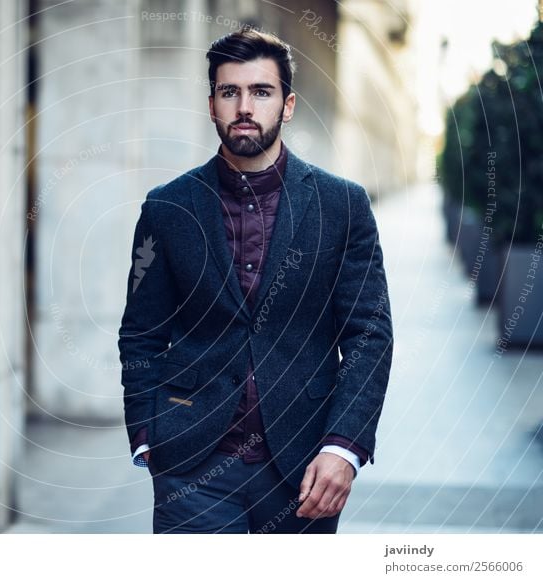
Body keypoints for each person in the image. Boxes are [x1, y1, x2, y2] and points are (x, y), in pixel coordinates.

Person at [118, 28, 393, 534]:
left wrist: (344, 447)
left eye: (261, 92)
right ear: (211, 104)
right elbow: (140, 331)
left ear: (287, 105)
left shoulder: (342, 205)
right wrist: (146, 434)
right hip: (190, 464)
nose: (245, 106)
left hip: (304, 464)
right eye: (230, 92)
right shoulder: (167, 208)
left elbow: (369, 335)